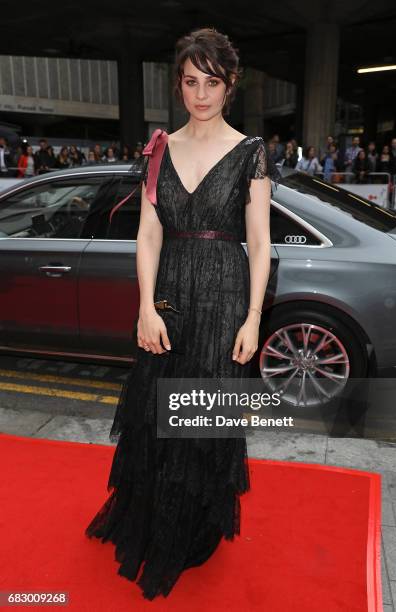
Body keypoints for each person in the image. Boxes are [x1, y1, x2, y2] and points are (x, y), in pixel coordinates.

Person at [84, 26, 280, 601]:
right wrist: (144, 306)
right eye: (191, 82)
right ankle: (154, 518)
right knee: (155, 412)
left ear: (230, 85)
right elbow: (148, 234)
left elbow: (261, 244)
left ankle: (192, 525)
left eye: (211, 82)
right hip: (169, 293)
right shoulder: (161, 149)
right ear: (179, 84)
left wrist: (252, 318)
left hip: (224, 295)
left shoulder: (251, 153)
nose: (200, 94)